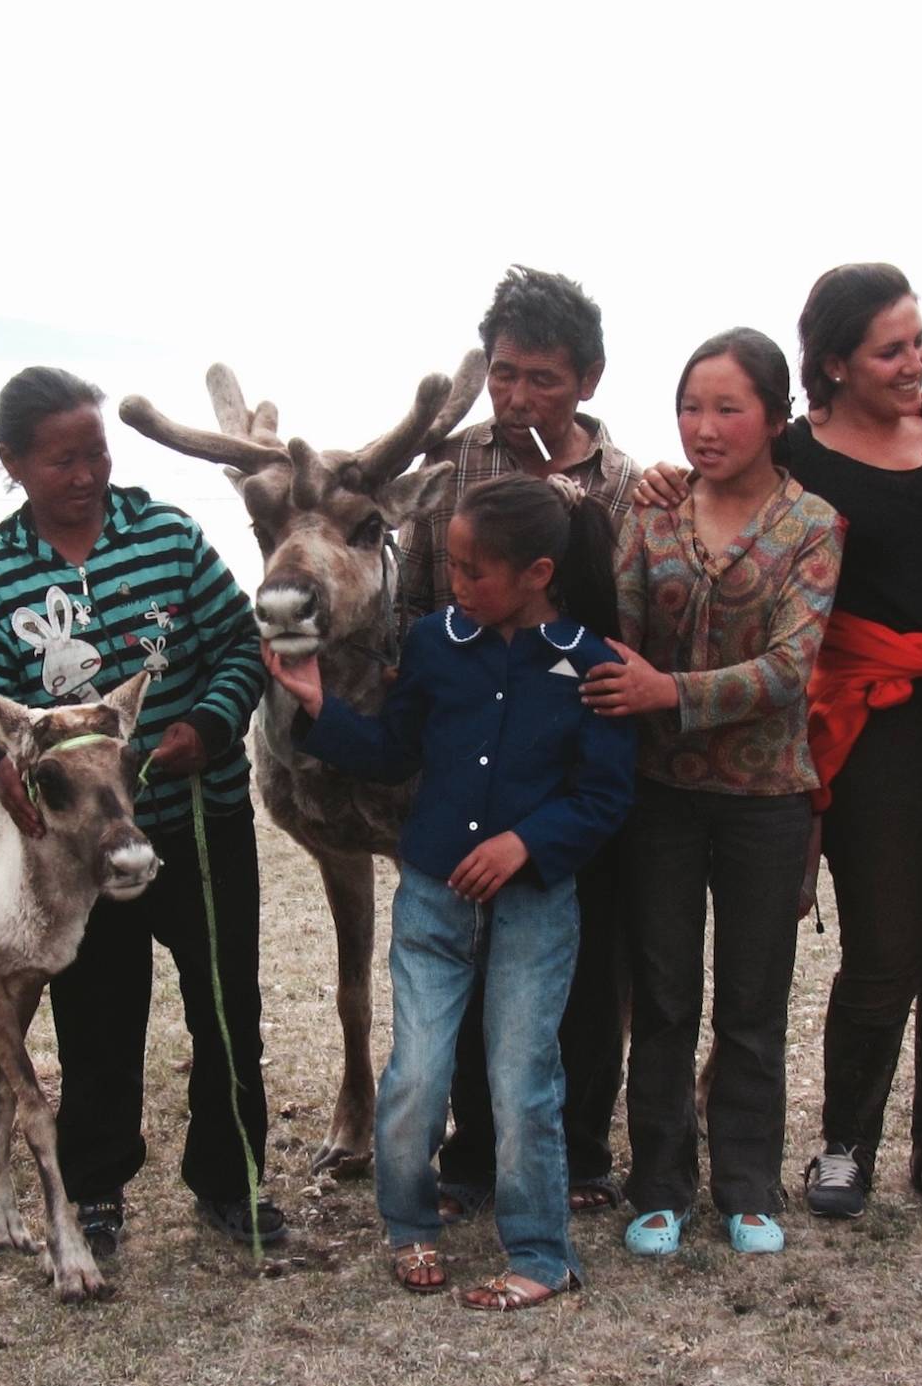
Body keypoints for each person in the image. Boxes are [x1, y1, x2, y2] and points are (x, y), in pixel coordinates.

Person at [643, 265, 922, 1220]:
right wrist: (667, 474)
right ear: (834, 362)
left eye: (920, 340)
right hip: (873, 721)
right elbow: (719, 496)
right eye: (892, 348)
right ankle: (845, 1143)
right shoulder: (795, 454)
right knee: (884, 946)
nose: (916, 360)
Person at [0, 366, 280, 1257]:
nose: (85, 475)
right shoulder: (0, 576)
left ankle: (233, 1180)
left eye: (95, 453)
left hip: (199, 816)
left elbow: (242, 641)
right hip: (79, 848)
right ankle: (94, 1190)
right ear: (12, 463)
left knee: (225, 1005)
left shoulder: (165, 535)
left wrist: (209, 722)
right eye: (61, 461)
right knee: (96, 1019)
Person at [265, 473, 635, 1311]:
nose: (455, 584)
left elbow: (605, 800)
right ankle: (409, 1222)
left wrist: (524, 843)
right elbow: (396, 750)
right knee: (418, 1071)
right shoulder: (434, 644)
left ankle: (541, 1252)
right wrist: (320, 705)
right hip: (433, 900)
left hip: (536, 907)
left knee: (521, 1076)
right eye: (453, 568)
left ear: (538, 572)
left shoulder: (595, 667)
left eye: (472, 571)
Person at [582, 328, 843, 1256]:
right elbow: (617, 636)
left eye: (728, 407)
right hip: (656, 792)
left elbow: (788, 668)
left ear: (776, 417)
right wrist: (636, 688)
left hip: (767, 796)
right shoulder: (651, 515)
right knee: (658, 993)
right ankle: (658, 1182)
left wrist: (669, 693)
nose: (705, 426)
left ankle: (747, 1181)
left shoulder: (811, 523)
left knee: (752, 998)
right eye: (692, 406)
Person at [396, 265, 642, 1222]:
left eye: (543, 377)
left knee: (580, 967)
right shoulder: (450, 471)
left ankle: (577, 1151)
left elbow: (634, 619)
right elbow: (420, 600)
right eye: (504, 374)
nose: (518, 396)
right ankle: (469, 1154)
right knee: (459, 960)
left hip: (578, 770)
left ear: (589, 377)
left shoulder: (628, 484)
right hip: (471, 767)